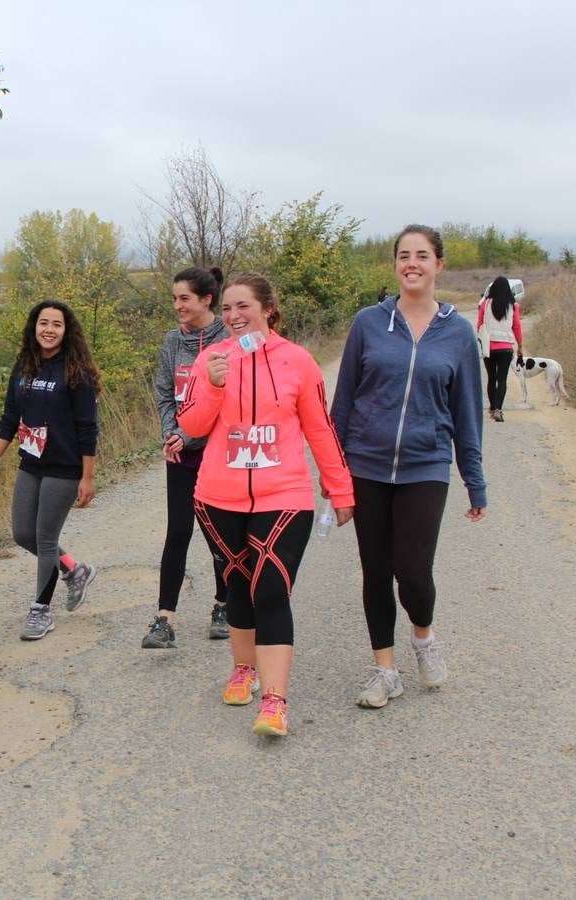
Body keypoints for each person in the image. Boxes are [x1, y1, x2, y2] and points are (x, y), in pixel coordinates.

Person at [178, 274, 354, 737]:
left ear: (268, 309)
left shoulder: (298, 361)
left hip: (285, 494)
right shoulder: (210, 359)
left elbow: (320, 429)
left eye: (244, 307)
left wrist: (340, 487)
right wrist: (213, 385)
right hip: (219, 496)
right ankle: (244, 669)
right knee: (237, 583)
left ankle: (275, 702)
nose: (235, 316)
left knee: (271, 588)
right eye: (229, 309)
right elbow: (191, 424)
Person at [330, 225, 487, 710]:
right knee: (375, 571)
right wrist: (335, 473)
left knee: (413, 571)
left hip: (426, 464)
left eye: (422, 255)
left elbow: (467, 411)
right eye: (403, 255)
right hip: (367, 465)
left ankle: (424, 638)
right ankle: (385, 671)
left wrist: (474, 481)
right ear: (395, 264)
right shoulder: (369, 324)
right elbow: (343, 402)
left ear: (439, 265)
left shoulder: (458, 333)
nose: (411, 263)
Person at [0, 300, 101, 641]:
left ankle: (41, 610)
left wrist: (87, 477)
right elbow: (9, 418)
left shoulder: (76, 372)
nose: (49, 329)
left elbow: (88, 428)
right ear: (34, 327)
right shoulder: (24, 367)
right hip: (31, 462)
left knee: (45, 539)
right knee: (23, 534)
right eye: (43, 323)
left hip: (64, 467)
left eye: (57, 324)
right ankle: (74, 570)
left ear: (67, 331)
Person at [144, 266, 231, 649]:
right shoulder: (170, 342)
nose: (177, 306)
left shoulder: (228, 340)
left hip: (218, 454)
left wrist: (186, 433)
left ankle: (224, 605)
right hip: (179, 453)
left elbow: (225, 405)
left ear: (206, 300)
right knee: (178, 532)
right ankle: (165, 620)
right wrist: (170, 432)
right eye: (174, 299)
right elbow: (164, 393)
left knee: (219, 536)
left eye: (184, 298)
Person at [477, 275, 524, 421]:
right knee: (502, 379)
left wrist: (482, 340)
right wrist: (520, 346)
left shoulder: (485, 303)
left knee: (491, 378)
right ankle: (498, 409)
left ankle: (491, 408)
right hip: (506, 348)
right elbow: (517, 327)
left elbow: (479, 324)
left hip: (489, 348)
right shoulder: (513, 306)